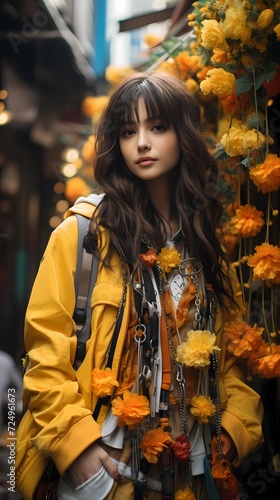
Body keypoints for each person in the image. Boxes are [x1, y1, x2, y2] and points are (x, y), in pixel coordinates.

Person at [16, 72, 264, 500]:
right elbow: (44, 353)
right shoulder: (82, 237)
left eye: (158, 127)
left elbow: (230, 365)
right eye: (129, 131)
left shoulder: (207, 246)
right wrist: (76, 448)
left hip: (194, 467)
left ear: (182, 134)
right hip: (105, 459)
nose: (142, 143)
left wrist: (230, 436)